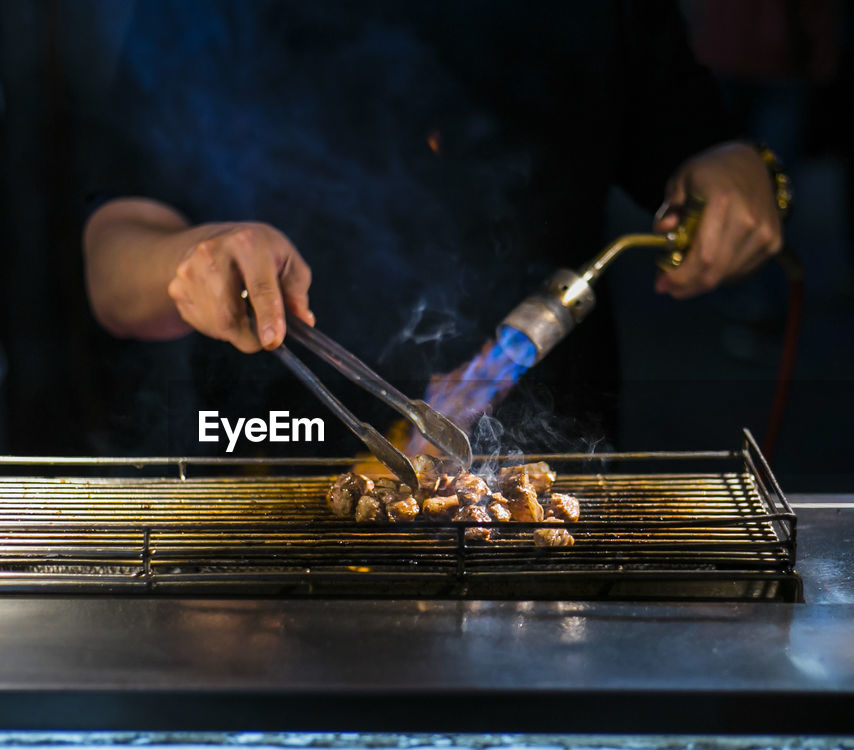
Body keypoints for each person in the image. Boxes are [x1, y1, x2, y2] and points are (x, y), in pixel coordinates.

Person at [79, 0, 784, 457]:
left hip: (548, 469)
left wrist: (737, 169)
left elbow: (700, 146)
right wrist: (196, 260)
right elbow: (114, 261)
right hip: (280, 465)